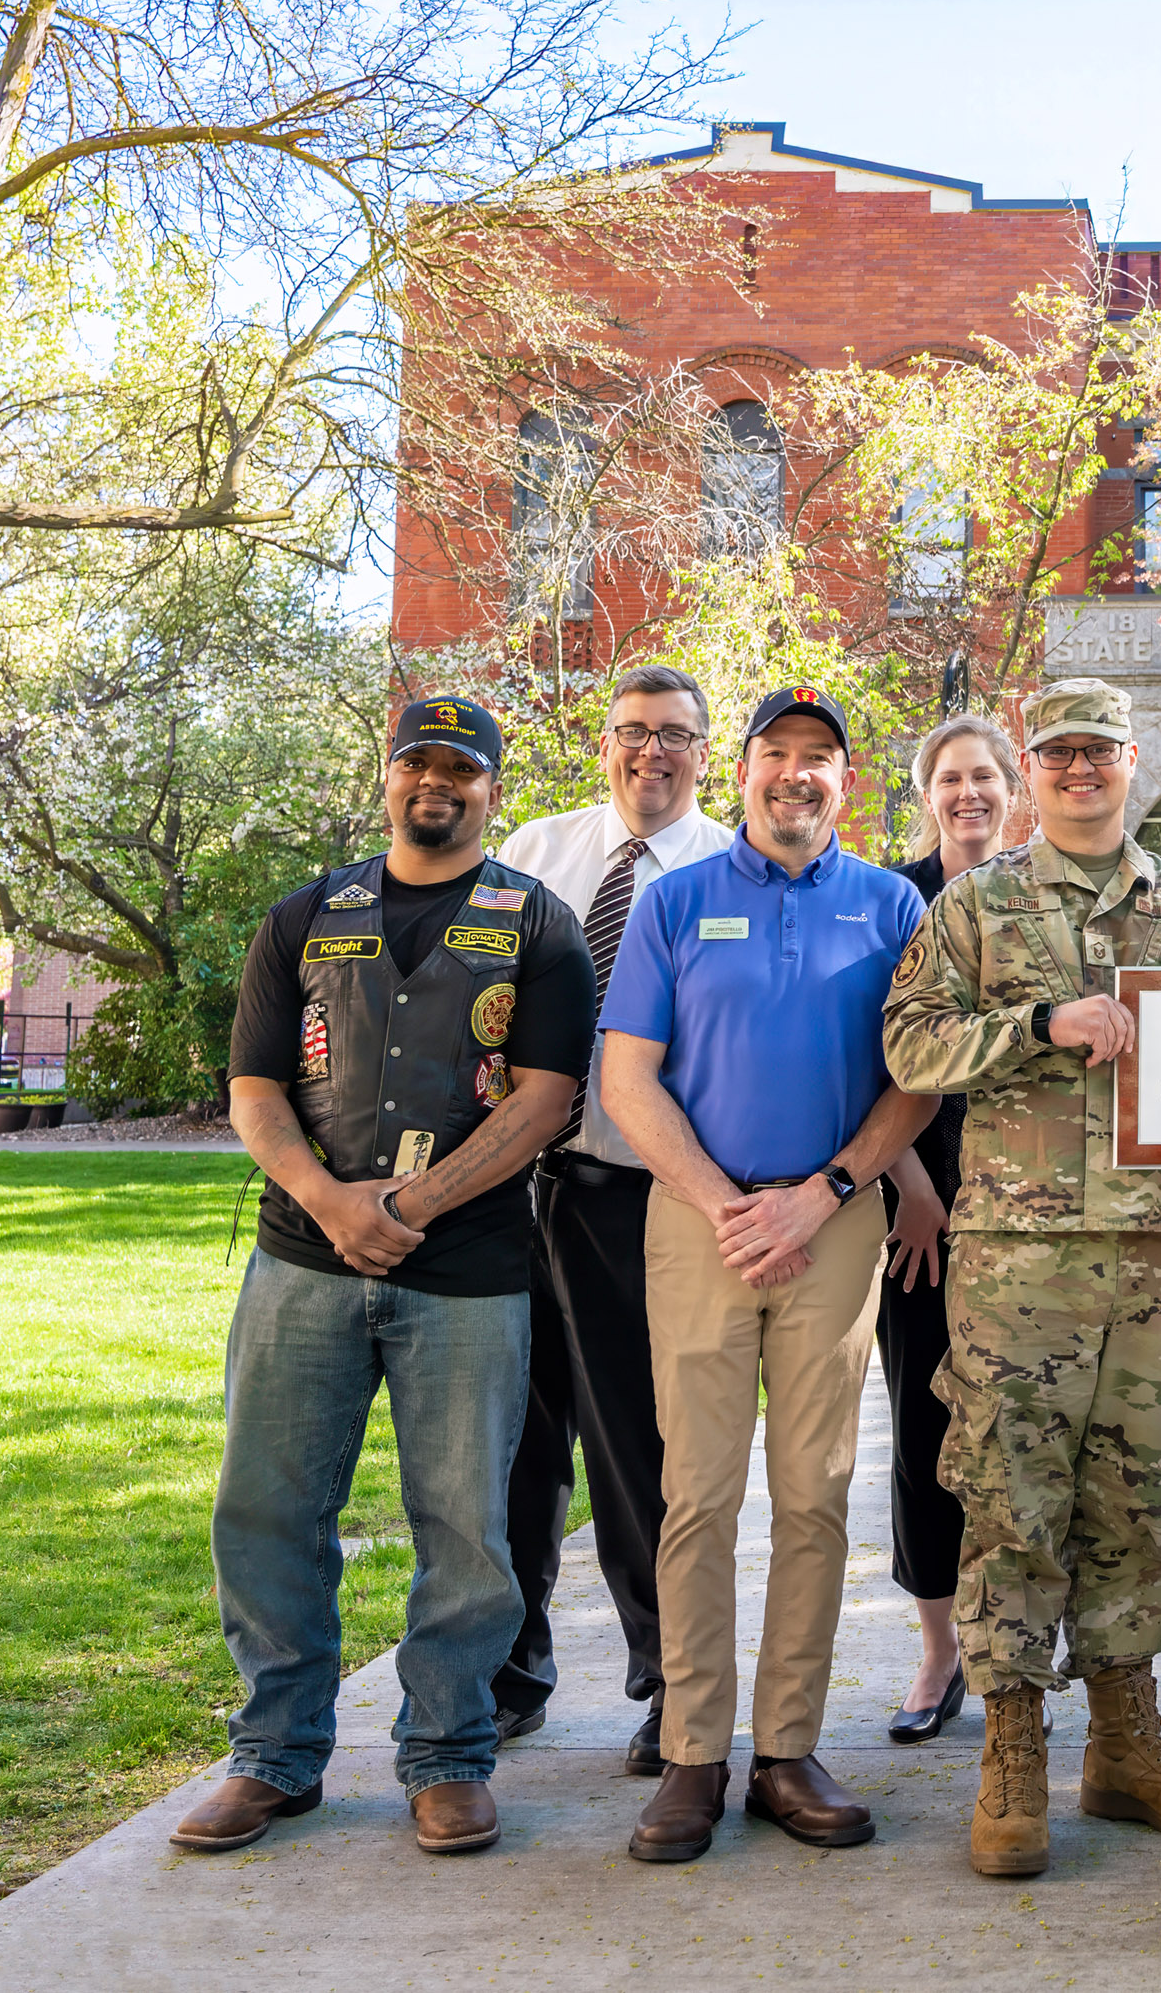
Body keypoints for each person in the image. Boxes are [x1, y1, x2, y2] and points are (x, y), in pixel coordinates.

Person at [176, 695, 597, 1860]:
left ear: (492, 788)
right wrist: (331, 1203)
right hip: (299, 1263)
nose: (437, 785)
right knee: (266, 1508)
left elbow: (547, 1102)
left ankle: (450, 1754)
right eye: (418, 762)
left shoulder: (537, 927)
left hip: (467, 1273)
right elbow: (255, 1092)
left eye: (461, 769)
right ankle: (274, 1753)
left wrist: (407, 1207)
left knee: (466, 1524)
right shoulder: (309, 917)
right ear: (387, 774)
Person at [882, 677, 1161, 1880]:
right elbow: (909, 1045)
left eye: (1099, 751)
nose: (1080, 769)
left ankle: (1126, 1744)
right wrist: (1043, 1024)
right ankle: (1012, 1753)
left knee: (1136, 1505)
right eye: (1059, 753)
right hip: (1017, 1263)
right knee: (1011, 1501)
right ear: (1031, 770)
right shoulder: (976, 905)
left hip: (1155, 1254)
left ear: (1133, 760)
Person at [610, 686, 938, 1860]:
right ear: (740, 772)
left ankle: (787, 1751)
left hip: (833, 1224)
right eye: (776, 755)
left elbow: (918, 1077)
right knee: (696, 1496)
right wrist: (721, 1203)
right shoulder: (677, 902)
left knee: (812, 1496)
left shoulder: (891, 904)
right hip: (701, 1225)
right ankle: (693, 1753)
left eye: (821, 760)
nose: (796, 775)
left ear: (847, 783)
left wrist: (829, 1191)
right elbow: (628, 1081)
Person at [487, 664, 735, 1772]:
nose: (653, 752)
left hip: (635, 1194)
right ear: (605, 743)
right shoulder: (534, 854)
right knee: (508, 1441)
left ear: (704, 751)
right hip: (501, 1190)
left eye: (676, 735)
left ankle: (662, 1677)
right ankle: (507, 1668)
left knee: (637, 1448)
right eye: (634, 731)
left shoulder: (732, 870)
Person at [872, 711, 1020, 1742]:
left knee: (1027, 1442)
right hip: (916, 1217)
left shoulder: (1047, 897)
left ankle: (1017, 1654)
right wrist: (912, 1183)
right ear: (925, 794)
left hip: (1037, 1222)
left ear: (1011, 790)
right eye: (948, 777)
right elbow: (861, 1056)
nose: (967, 793)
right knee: (925, 1432)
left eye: (983, 776)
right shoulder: (891, 902)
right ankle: (937, 1654)